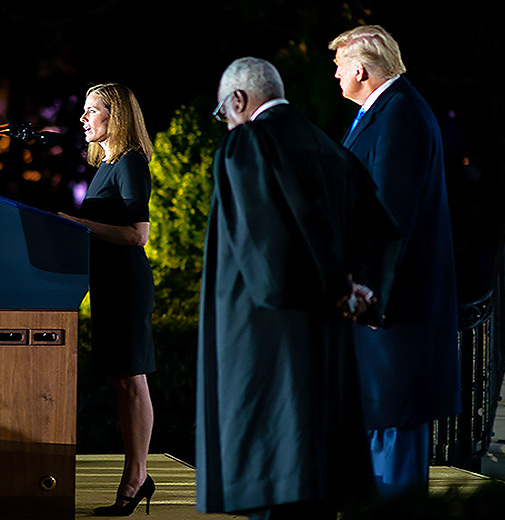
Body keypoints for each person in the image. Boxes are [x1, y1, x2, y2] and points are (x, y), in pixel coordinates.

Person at [195, 57, 400, 519]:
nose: (226, 123)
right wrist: (357, 291)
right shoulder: (333, 150)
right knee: (318, 494)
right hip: (330, 343)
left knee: (277, 485)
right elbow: (382, 230)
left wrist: (326, 288)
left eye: (223, 113)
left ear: (239, 100)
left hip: (268, 342)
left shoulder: (247, 145)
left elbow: (266, 247)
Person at [329, 25, 460, 496]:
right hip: (383, 309)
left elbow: (389, 216)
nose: (336, 74)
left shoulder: (400, 113)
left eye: (339, 65)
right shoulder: (383, 111)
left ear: (361, 69)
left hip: (394, 309)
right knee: (380, 428)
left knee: (395, 433)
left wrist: (363, 289)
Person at [59, 83, 157, 516]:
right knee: (122, 381)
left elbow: (138, 235)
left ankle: (136, 478)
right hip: (107, 284)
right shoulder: (106, 165)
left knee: (131, 380)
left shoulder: (131, 162)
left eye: (91, 110)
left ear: (114, 116)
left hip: (127, 284)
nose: (82, 119)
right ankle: (137, 475)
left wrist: (76, 224)